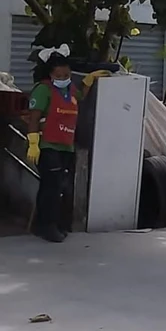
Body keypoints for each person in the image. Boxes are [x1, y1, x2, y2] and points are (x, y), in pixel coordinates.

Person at [25, 45, 110, 243]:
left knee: (58, 187)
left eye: (67, 74)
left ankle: (47, 225)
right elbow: (34, 118)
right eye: (59, 75)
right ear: (50, 74)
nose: (63, 78)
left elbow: (80, 96)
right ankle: (47, 226)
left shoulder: (70, 90)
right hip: (48, 146)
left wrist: (89, 80)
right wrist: (33, 143)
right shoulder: (43, 90)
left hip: (66, 146)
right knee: (52, 187)